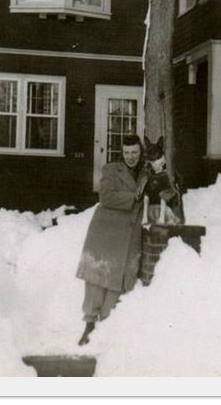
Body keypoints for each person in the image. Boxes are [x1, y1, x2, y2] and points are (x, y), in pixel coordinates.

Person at [75, 134, 148, 346]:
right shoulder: (110, 170)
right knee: (98, 276)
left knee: (120, 278)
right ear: (121, 153)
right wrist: (134, 196)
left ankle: (106, 326)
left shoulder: (145, 173)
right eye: (127, 153)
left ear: (140, 152)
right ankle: (89, 324)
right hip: (106, 231)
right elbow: (106, 197)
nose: (131, 157)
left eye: (135, 152)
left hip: (129, 233)